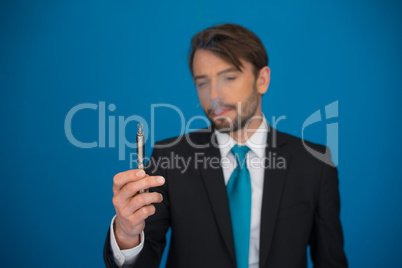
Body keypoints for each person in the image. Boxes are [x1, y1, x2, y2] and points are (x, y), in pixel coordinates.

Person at [103, 23, 348, 268]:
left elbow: (331, 261)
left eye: (228, 77)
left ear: (262, 80)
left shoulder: (315, 164)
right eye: (202, 82)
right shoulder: (170, 158)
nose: (214, 95)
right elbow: (143, 261)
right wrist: (126, 234)